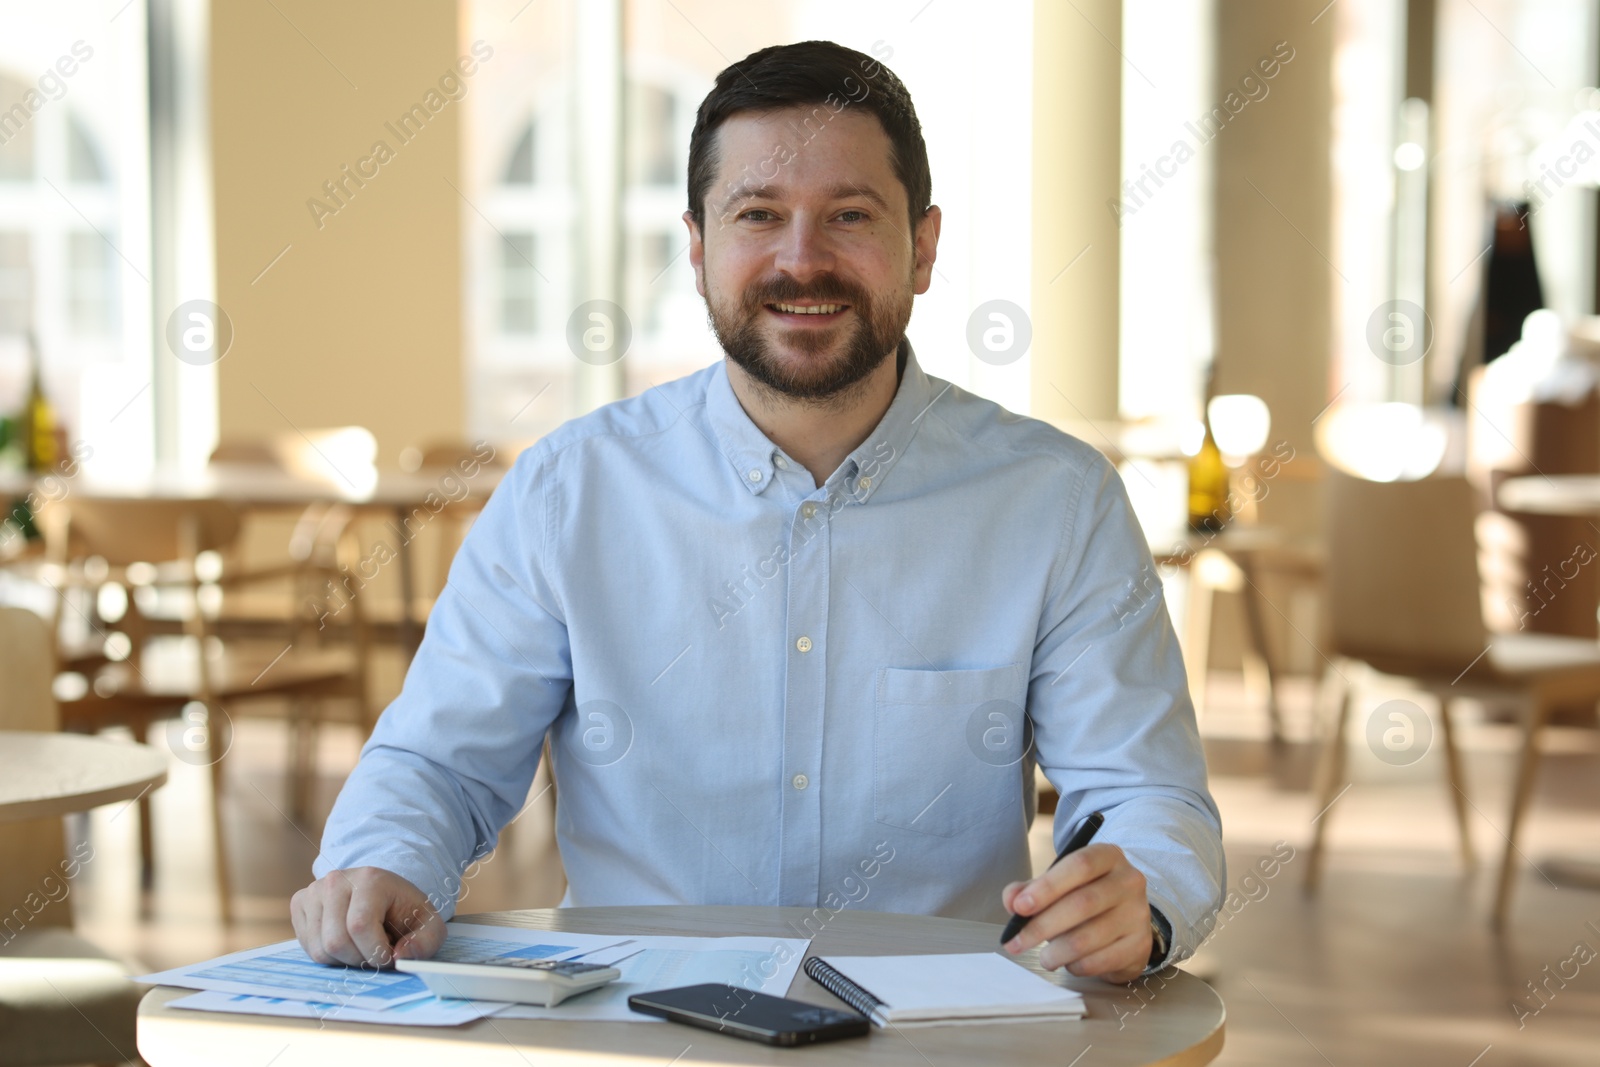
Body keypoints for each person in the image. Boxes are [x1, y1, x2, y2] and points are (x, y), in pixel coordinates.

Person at [293, 39, 1223, 986]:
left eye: (850, 215)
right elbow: (441, 761)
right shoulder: (568, 492)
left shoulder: (1056, 502)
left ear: (925, 246)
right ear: (698, 249)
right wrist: (386, 860)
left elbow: (1143, 792)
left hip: (943, 1033)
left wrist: (1139, 900)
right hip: (635, 1026)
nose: (801, 259)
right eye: (758, 215)